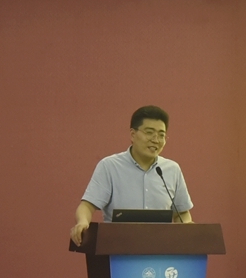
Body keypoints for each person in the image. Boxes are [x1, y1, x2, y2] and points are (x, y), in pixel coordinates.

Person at [70, 105, 193, 246]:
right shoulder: (110, 166)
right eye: (149, 132)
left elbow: (181, 214)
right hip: (117, 248)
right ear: (133, 135)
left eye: (161, 135)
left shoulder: (172, 169)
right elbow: (87, 206)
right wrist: (82, 222)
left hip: (160, 251)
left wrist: (188, 226)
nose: (156, 140)